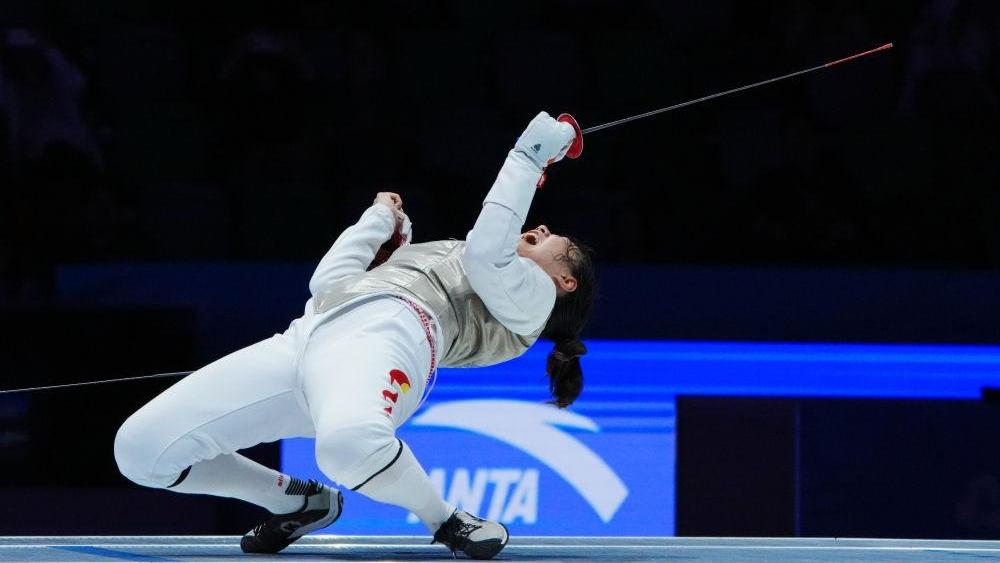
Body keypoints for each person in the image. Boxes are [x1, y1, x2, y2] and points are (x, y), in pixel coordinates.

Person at [113, 111, 596, 560]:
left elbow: (488, 250)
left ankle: (446, 519)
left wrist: (530, 154)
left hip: (395, 332)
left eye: (561, 244)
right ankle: (296, 504)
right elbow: (326, 285)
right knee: (141, 449)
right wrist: (379, 223)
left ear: (566, 280)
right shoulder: (457, 253)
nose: (544, 227)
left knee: (348, 446)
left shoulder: (534, 301)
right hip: (308, 336)